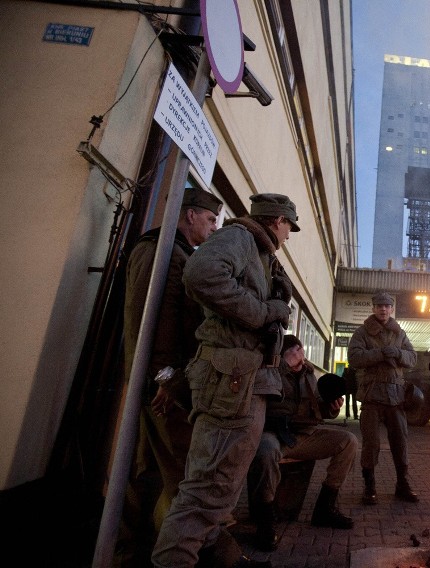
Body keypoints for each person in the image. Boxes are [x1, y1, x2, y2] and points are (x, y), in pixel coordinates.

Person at [151, 193, 299, 568]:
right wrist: (264, 312)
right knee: (204, 496)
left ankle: (221, 559)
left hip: (242, 382)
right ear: (276, 220)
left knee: (219, 491)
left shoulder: (258, 251)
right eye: (288, 225)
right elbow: (201, 275)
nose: (289, 234)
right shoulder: (240, 239)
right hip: (232, 384)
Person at [117, 187, 222, 566]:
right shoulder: (159, 252)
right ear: (190, 215)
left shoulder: (175, 253)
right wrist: (167, 379)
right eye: (211, 219)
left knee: (151, 476)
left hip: (164, 383)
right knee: (180, 477)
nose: (214, 228)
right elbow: (148, 323)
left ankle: (138, 552)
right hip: (164, 389)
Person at [247, 335, 356, 550]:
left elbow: (316, 410)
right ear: (283, 354)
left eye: (301, 349)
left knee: (348, 441)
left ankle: (325, 508)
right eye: (295, 350)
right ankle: (265, 520)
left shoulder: (309, 375)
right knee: (266, 451)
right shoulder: (269, 371)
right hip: (275, 434)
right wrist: (283, 368)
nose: (301, 353)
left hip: (303, 436)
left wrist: (331, 409)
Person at [347, 292, 418, 505]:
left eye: (387, 306)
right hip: (372, 397)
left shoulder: (400, 333)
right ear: (373, 308)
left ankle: (402, 484)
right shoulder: (362, 332)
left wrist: (397, 352)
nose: (383, 309)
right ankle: (369, 487)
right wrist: (379, 354)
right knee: (371, 444)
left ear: (392, 309)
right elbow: (354, 358)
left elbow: (412, 358)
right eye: (379, 306)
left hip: (396, 398)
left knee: (400, 442)